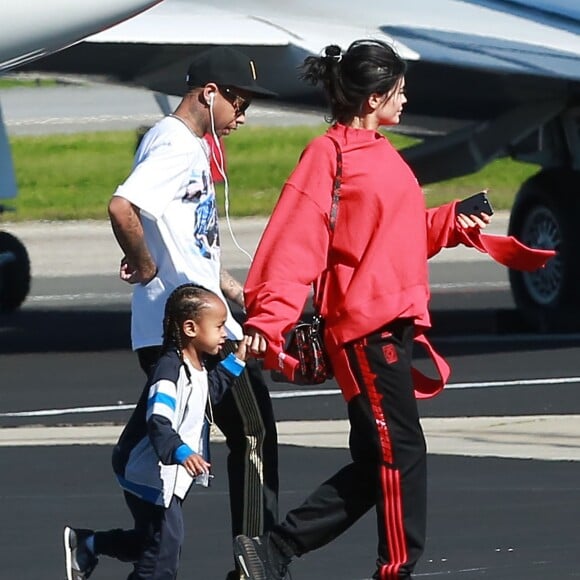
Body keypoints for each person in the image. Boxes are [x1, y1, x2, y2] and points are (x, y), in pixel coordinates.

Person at [232, 39, 499, 580]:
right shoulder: (327, 155)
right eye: (399, 90)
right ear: (375, 96)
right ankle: (394, 570)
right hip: (365, 333)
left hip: (392, 326)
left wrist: (451, 221)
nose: (405, 99)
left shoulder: (382, 155)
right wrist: (267, 320)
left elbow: (395, 236)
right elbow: (293, 243)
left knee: (379, 463)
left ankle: (273, 552)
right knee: (402, 454)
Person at [107, 47, 279, 580]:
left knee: (169, 452)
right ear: (210, 92)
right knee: (252, 431)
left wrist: (241, 297)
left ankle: (122, 548)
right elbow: (122, 206)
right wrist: (143, 261)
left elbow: (193, 249)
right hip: (191, 333)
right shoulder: (178, 147)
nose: (242, 117)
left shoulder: (184, 146)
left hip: (192, 323)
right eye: (239, 102)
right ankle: (254, 559)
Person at [63, 283, 249, 580]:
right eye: (219, 326)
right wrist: (181, 451)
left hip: (164, 472)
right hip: (146, 470)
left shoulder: (195, 365)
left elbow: (205, 396)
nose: (225, 333)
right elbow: (158, 422)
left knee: (155, 541)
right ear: (190, 328)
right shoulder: (168, 371)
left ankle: (88, 544)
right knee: (163, 554)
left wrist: (236, 361)